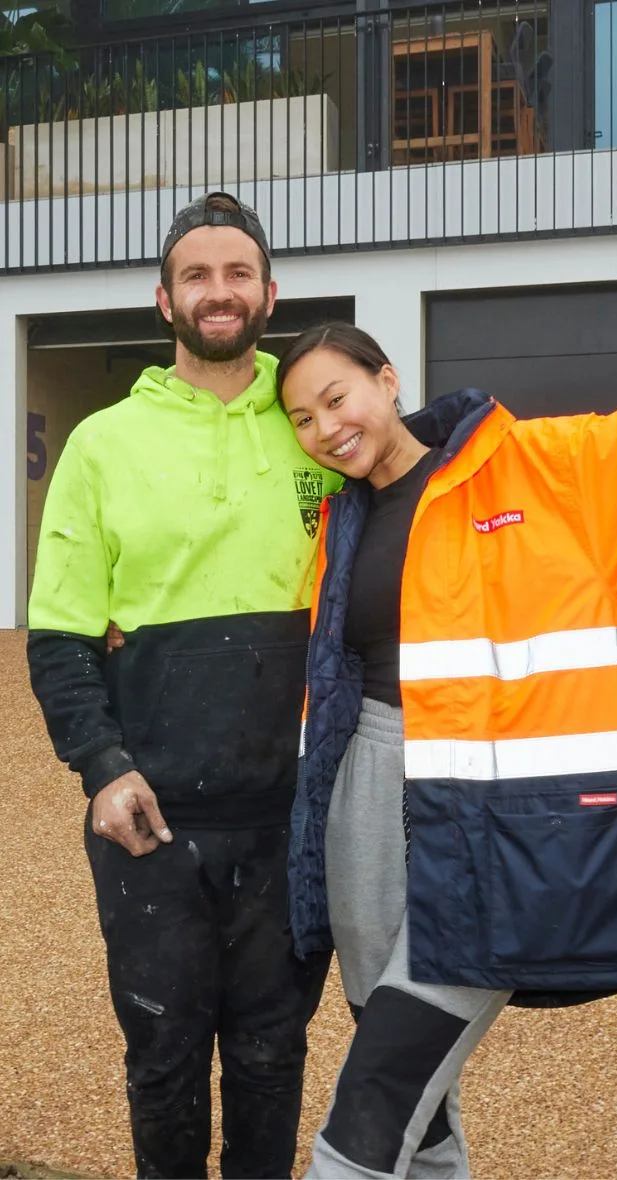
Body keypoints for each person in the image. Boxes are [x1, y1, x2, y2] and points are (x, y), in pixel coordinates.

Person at [27, 192, 338, 1179]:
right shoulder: (103, 444)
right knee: (163, 1060)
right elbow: (60, 634)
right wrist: (102, 769)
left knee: (269, 1054)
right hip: (149, 819)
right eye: (197, 275)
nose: (219, 291)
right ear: (163, 298)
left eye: (237, 273)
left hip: (289, 813)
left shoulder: (314, 421)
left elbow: (428, 484)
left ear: (270, 292)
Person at [277, 323, 617, 1178]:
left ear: (388, 379)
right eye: (302, 419)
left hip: (497, 807)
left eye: (337, 398)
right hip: (364, 785)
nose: (326, 427)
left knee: (383, 1080)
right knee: (401, 1062)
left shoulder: (538, 464)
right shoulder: (340, 521)